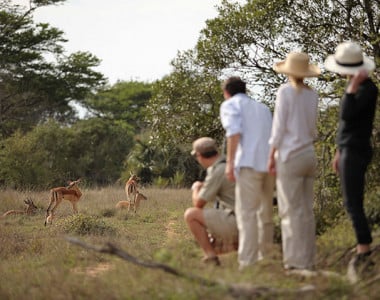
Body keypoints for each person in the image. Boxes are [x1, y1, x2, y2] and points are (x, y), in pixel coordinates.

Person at [324, 41, 378, 270]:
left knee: (352, 202)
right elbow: (346, 126)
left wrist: (351, 88)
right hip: (348, 148)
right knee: (351, 200)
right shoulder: (358, 88)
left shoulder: (366, 89)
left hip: (356, 150)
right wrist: (338, 151)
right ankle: (362, 245)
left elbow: (346, 114)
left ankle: (364, 248)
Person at [268, 52, 321, 270]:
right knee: (306, 211)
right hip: (309, 154)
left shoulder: (286, 92)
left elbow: (279, 127)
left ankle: (293, 262)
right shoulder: (313, 95)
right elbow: (311, 129)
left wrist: (271, 155)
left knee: (290, 211)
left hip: (290, 156)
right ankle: (308, 261)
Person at [220, 77, 275, 270]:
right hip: (269, 164)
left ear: (226, 92)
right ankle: (265, 256)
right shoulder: (263, 108)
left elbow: (233, 133)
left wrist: (230, 163)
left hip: (248, 164)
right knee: (266, 213)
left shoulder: (230, 105)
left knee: (247, 214)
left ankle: (248, 261)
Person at [184, 137, 238, 266]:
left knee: (191, 215)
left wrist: (196, 188)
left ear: (199, 155)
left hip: (237, 221)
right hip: (251, 220)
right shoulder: (229, 162)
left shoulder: (217, 170)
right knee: (213, 242)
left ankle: (210, 256)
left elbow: (198, 203)